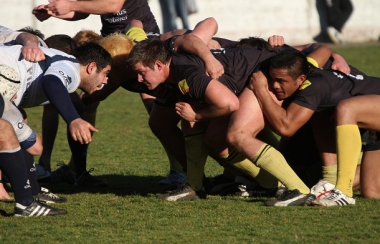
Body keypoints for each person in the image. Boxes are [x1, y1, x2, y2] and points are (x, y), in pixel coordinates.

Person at [249, 48, 380, 206]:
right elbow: (323, 49)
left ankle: (343, 192)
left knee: (346, 109)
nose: (275, 85)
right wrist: (337, 56)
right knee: (372, 191)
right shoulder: (305, 66)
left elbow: (286, 129)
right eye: (272, 79)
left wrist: (261, 90)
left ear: (301, 78)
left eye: (281, 81)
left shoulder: (314, 86)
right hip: (375, 128)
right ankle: (333, 183)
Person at [0, 41, 112, 187]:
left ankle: (28, 192)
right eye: (105, 74)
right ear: (92, 67)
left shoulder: (67, 72)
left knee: (24, 132)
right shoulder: (72, 68)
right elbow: (52, 81)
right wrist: (74, 120)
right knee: (30, 142)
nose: (106, 81)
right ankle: (25, 196)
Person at [0, 65, 67, 216]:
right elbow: (35, 148)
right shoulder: (4, 103)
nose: (16, 96)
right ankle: (26, 203)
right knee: (5, 128)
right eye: (14, 90)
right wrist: (19, 122)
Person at [32, 0, 159, 37]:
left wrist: (70, 5)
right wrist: (52, 11)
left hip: (141, 35)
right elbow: (82, 11)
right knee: (90, 93)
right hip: (110, 38)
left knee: (148, 91)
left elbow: (114, 5)